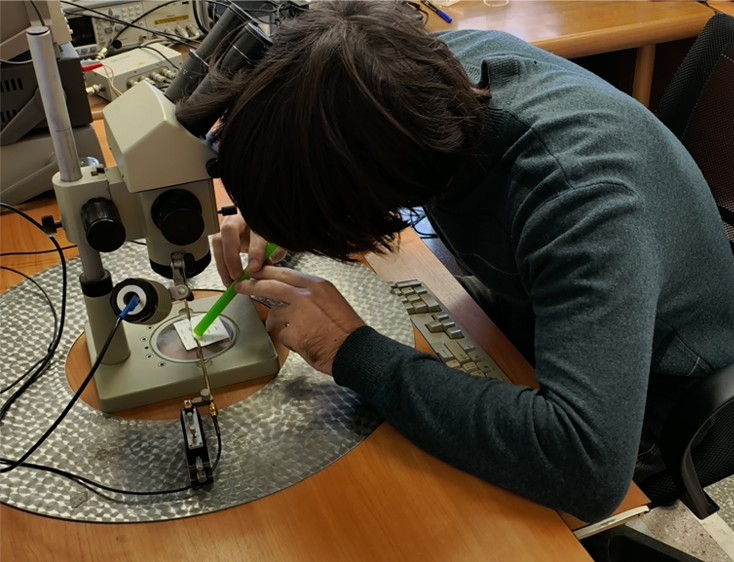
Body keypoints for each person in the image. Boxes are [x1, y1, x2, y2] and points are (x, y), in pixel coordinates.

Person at [177, 1, 734, 522]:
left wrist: (347, 350)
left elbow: (587, 466)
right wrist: (279, 202)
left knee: (391, 511)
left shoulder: (580, 203)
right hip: (535, 307)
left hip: (660, 395)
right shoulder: (422, 82)